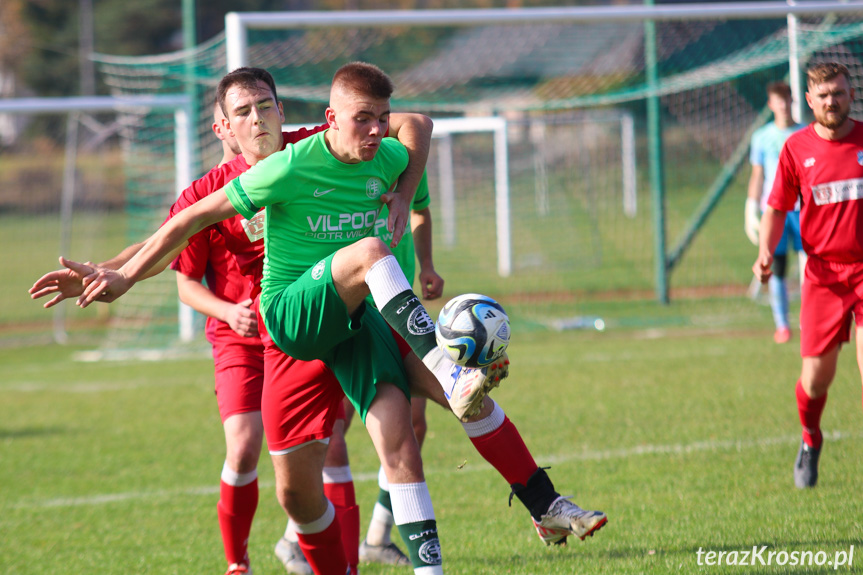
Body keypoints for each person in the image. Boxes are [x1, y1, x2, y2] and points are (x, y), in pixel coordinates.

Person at [31, 64, 607, 573]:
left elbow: (417, 125)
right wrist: (115, 275)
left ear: (285, 111)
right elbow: (173, 233)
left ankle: (542, 504)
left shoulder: (345, 138)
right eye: (243, 112)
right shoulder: (253, 179)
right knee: (292, 488)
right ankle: (255, 554)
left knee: (413, 428)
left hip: (362, 318)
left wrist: (406, 194)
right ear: (223, 129)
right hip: (286, 329)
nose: (257, 120)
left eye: (265, 107)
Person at [753, 62, 863, 489]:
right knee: (816, 382)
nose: (831, 101)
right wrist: (765, 250)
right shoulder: (796, 149)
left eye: (838, 92)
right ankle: (810, 438)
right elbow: (777, 207)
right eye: (823, 95)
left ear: (851, 94)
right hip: (822, 276)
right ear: (810, 101)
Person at [745, 81, 805, 344]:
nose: (782, 104)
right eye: (776, 100)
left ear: (792, 100)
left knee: (812, 265)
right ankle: (782, 324)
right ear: (770, 104)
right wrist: (750, 206)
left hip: (803, 210)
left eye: (786, 98)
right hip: (775, 210)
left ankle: (811, 320)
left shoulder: (806, 132)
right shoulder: (762, 137)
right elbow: (758, 174)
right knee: (776, 266)